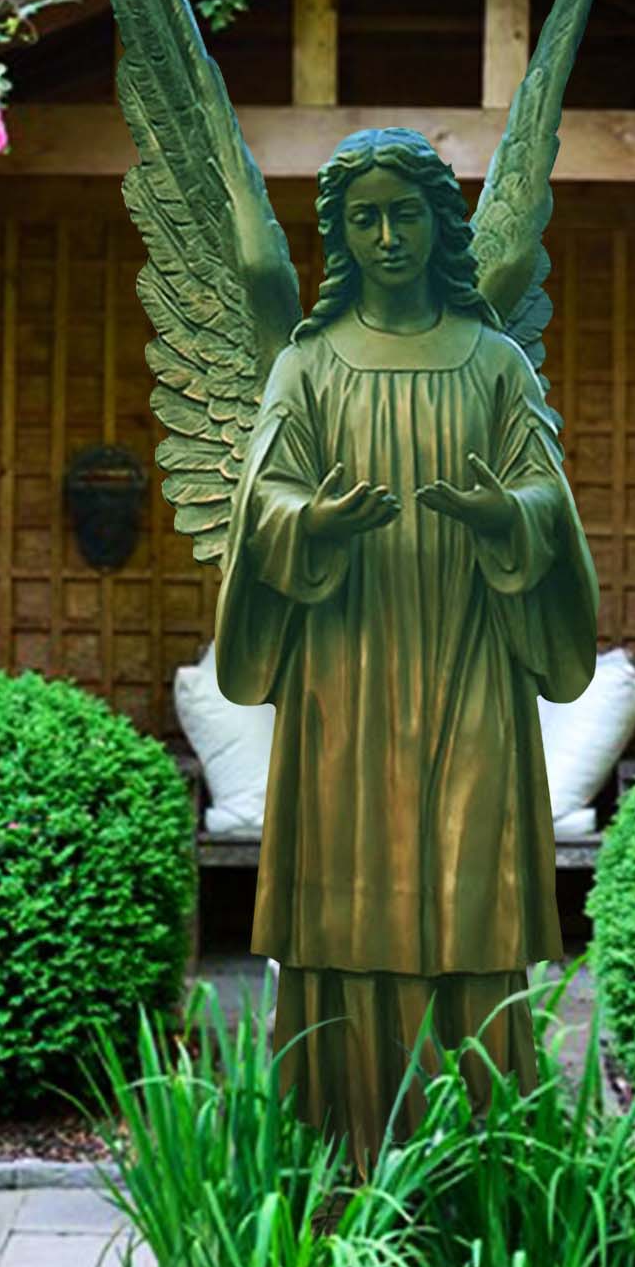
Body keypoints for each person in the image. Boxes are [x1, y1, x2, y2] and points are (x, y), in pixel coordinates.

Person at [214, 125, 598, 1163]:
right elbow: (265, 498)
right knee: (342, 896)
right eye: (363, 216)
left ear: (442, 224)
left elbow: (544, 494)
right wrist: (313, 523)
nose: (387, 233)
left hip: (470, 657)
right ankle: (335, 1142)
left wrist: (500, 514)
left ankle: (482, 1148)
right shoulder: (306, 363)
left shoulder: (493, 361)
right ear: (339, 233)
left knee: (469, 887)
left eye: (406, 212)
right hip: (342, 664)